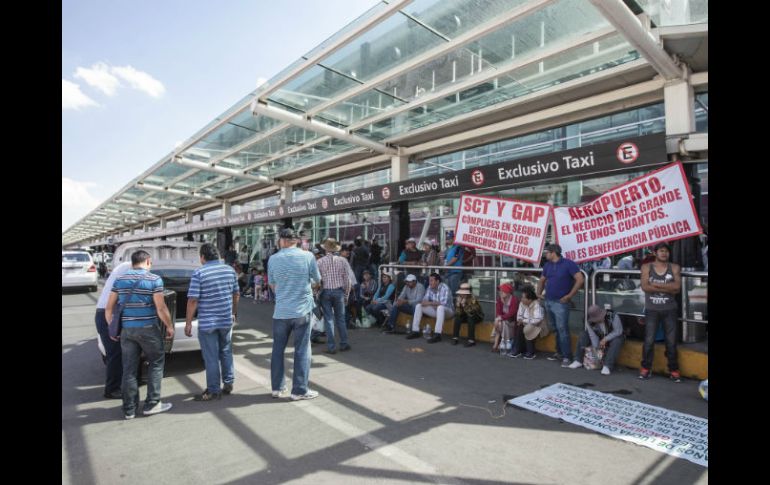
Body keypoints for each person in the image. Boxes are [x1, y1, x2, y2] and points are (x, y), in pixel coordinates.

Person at [105, 250, 174, 420]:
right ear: (148, 261)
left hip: (127, 330)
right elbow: (161, 308)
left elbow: (109, 308)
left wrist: (113, 328)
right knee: (156, 363)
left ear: (132, 263)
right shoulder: (154, 279)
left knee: (129, 369)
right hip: (148, 328)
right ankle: (152, 404)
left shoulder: (120, 279)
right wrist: (169, 326)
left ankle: (129, 409)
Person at [268, 227, 322, 400]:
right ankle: (299, 390)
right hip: (302, 311)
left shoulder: (273, 259)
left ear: (282, 241)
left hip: (281, 312)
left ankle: (277, 388)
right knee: (302, 350)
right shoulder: (307, 256)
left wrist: (285, 293)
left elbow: (272, 285)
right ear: (296, 241)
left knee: (277, 349)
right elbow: (317, 280)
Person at [185, 243, 239, 401]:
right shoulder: (230, 270)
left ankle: (214, 390)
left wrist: (188, 322)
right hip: (226, 320)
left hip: (208, 322)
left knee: (211, 356)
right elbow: (236, 294)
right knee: (226, 351)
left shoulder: (199, 273)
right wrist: (233, 312)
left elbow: (193, 300)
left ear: (202, 257)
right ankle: (228, 383)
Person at [639, 242, 682, 382]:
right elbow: (645, 287)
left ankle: (674, 370)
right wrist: (667, 287)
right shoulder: (646, 267)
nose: (664, 253)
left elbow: (677, 288)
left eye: (666, 251)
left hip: (670, 309)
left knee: (671, 342)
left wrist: (655, 284)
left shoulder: (674, 267)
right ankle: (645, 368)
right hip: (652, 310)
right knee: (649, 340)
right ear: (655, 253)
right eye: (661, 251)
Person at [537, 243, 584, 367]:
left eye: (547, 252)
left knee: (562, 329)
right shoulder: (547, 265)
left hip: (560, 303)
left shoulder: (568, 264)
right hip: (548, 301)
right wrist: (538, 294)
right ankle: (559, 352)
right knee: (555, 328)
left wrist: (569, 296)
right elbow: (542, 280)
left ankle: (567, 356)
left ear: (553, 253)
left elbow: (580, 279)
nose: (546, 254)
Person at [94, 261, 132, 399]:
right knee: (114, 353)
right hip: (107, 314)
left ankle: (129, 382)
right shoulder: (127, 270)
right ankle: (111, 389)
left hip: (109, 312)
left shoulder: (123, 268)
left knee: (122, 351)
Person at [317, 238, 354, 354]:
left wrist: (316, 294)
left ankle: (331, 346)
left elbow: (317, 280)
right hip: (339, 292)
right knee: (340, 319)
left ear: (325, 249)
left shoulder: (320, 261)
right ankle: (344, 343)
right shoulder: (343, 261)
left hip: (326, 292)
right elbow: (347, 280)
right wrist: (346, 295)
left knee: (328, 319)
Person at [567, 304, 625, 375]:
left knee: (617, 341)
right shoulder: (589, 320)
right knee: (583, 334)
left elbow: (618, 331)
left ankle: (607, 366)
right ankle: (578, 360)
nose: (597, 321)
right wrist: (597, 349)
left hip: (614, 336)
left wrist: (605, 339)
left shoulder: (613, 316)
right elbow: (593, 335)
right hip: (600, 337)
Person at [406, 272, 454, 343]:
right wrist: (432, 303)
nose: (430, 282)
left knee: (440, 307)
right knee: (419, 306)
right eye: (429, 280)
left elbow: (442, 303)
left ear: (437, 281)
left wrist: (432, 304)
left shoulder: (444, 288)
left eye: (431, 280)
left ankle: (437, 335)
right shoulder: (429, 287)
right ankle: (415, 331)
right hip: (436, 310)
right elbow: (423, 302)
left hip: (448, 312)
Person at [511, 285, 547, 359]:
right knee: (520, 327)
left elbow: (538, 319)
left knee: (528, 328)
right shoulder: (522, 304)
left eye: (523, 298)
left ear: (530, 299)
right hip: (525, 323)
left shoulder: (536, 304)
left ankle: (530, 352)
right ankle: (518, 350)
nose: (521, 299)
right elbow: (519, 316)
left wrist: (524, 320)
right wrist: (521, 320)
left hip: (538, 325)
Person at [451, 282, 484, 347]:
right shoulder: (459, 298)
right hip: (466, 315)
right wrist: (459, 306)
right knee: (457, 317)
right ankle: (455, 337)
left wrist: (464, 305)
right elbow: (458, 313)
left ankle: (471, 340)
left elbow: (473, 312)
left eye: (464, 293)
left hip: (476, 316)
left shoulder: (473, 298)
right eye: (461, 293)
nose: (462, 294)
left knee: (470, 318)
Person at [493, 283, 519, 353]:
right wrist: (499, 318)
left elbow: (512, 313)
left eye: (502, 291)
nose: (500, 292)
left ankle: (498, 344)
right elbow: (498, 312)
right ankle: (500, 344)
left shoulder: (514, 300)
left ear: (508, 292)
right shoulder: (499, 300)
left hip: (513, 321)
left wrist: (500, 318)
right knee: (501, 323)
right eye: (500, 291)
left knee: (502, 322)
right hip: (503, 320)